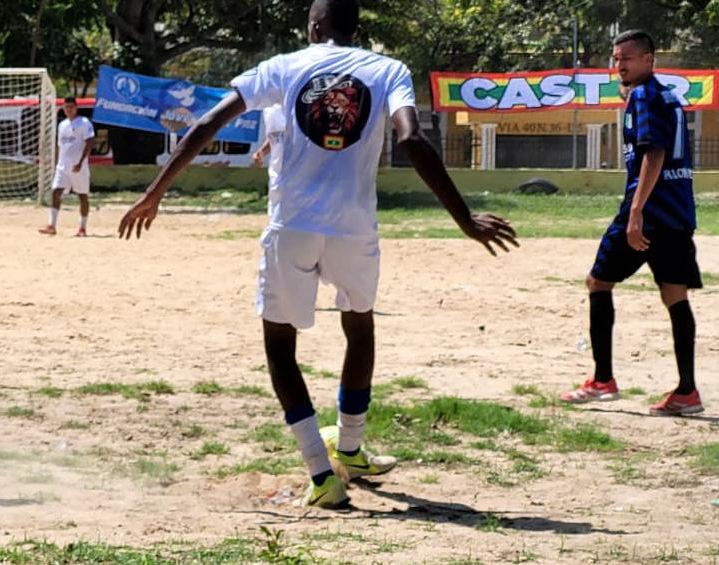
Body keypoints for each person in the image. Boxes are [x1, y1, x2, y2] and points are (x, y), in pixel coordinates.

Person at [118, 0, 518, 509]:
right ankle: (349, 446)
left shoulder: (283, 67)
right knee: (360, 328)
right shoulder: (387, 70)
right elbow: (412, 139)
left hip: (293, 226)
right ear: (355, 27)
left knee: (280, 347)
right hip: (355, 227)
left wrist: (154, 193)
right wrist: (464, 218)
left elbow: (207, 125)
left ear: (313, 26)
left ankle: (322, 472)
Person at [561, 30, 703, 416]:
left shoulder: (643, 96)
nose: (619, 65)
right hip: (678, 213)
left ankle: (603, 380)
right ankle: (687, 391)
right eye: (616, 58)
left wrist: (636, 211)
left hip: (649, 213)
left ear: (648, 60)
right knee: (675, 295)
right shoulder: (669, 96)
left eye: (626, 58)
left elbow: (654, 153)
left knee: (598, 282)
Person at [39, 97, 96, 237]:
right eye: (66, 107)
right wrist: (57, 162)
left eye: (71, 107)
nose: (69, 110)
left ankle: (82, 228)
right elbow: (61, 146)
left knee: (82, 195)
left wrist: (81, 162)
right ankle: (51, 225)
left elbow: (90, 142)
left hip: (79, 166)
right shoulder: (62, 125)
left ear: (76, 108)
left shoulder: (84, 122)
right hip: (63, 166)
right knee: (56, 191)